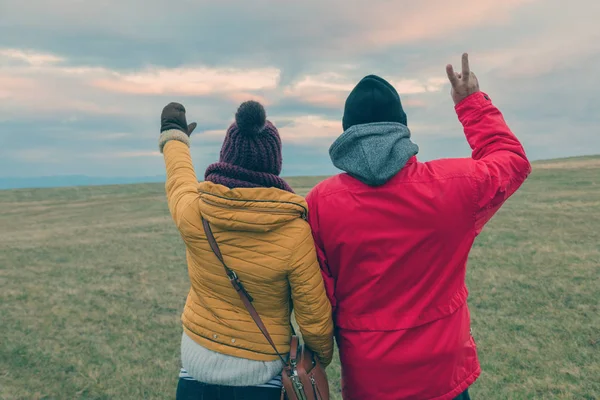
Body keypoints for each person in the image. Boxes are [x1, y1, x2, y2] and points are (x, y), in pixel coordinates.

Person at [305, 53, 532, 400]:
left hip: (370, 375)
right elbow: (511, 161)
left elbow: (322, 294)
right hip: (444, 373)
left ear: (347, 132)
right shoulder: (455, 183)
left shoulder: (321, 202)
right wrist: (470, 103)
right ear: (401, 126)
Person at [158, 100, 334, 400]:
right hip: (259, 374)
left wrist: (174, 135)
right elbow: (313, 316)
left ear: (226, 154)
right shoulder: (294, 231)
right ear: (274, 162)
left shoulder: (194, 210)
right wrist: (317, 359)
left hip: (196, 362)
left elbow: (179, 179)